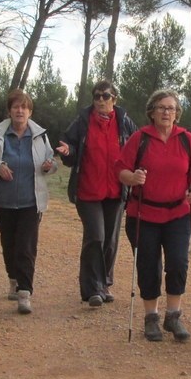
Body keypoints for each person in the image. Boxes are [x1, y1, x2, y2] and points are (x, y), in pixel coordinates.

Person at [116, 89, 191, 342]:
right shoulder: (140, 138)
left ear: (177, 113)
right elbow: (120, 168)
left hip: (177, 213)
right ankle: (151, 318)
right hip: (143, 213)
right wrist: (132, 178)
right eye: (162, 107)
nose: (167, 112)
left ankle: (173, 316)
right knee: (148, 265)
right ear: (152, 112)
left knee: (178, 263)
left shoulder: (187, 140)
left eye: (171, 108)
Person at [56, 80, 138, 307]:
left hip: (116, 190)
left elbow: (138, 147)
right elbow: (69, 146)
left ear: (115, 99)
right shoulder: (83, 120)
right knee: (96, 237)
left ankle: (105, 284)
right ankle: (93, 289)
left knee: (110, 240)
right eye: (97, 96)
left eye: (106, 96)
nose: (101, 100)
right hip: (88, 190)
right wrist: (67, 151)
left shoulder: (124, 121)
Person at [0, 90, 58, 315]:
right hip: (3, 201)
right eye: (16, 107)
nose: (20, 111)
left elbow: (51, 162)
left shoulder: (40, 136)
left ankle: (25, 292)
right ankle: (13, 278)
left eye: (24, 107)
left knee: (26, 247)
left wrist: (48, 166)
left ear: (30, 112)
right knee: (9, 244)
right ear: (9, 111)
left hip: (31, 202)